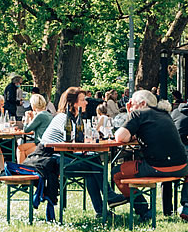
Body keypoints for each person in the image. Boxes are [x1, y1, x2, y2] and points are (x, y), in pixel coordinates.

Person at [115, 90, 188, 222]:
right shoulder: (165, 114)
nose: (129, 105)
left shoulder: (138, 113)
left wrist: (129, 113)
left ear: (142, 103)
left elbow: (120, 137)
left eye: (131, 103)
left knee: (116, 173)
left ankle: (143, 210)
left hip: (157, 167)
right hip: (182, 165)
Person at [39, 87, 126, 219]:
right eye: (82, 100)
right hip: (51, 161)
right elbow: (74, 140)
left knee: (92, 162)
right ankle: (109, 198)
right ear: (73, 103)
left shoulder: (71, 118)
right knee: (93, 164)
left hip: (60, 157)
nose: (86, 102)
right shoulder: (63, 118)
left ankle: (103, 210)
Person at [17, 94, 53, 163]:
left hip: (41, 145)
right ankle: (22, 169)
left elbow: (26, 130)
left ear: (33, 105)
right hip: (43, 143)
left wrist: (27, 117)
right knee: (20, 149)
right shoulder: (47, 114)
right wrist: (32, 117)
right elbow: (34, 127)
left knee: (22, 151)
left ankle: (21, 170)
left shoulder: (40, 115)